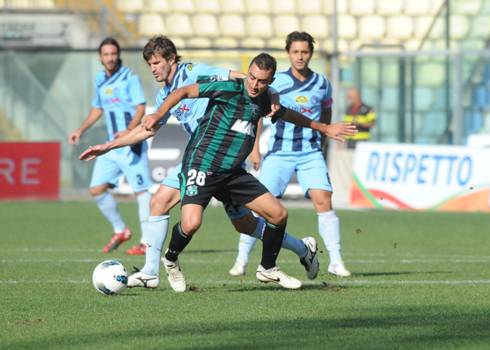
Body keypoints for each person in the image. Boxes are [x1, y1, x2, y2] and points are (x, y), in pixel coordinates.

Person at [81, 52, 356, 291]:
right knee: (188, 222)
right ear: (247, 73)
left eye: (262, 82)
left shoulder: (261, 97)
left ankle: (270, 267)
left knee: (273, 216)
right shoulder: (225, 86)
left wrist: (324, 128)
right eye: (252, 78)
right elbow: (182, 93)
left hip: (233, 172)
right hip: (201, 163)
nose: (254, 84)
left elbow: (284, 113)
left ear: (270, 82)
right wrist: (117, 140)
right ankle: (167, 261)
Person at [229, 32, 352, 278]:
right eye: (295, 52)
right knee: (259, 207)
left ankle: (336, 261)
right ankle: (241, 260)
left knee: (323, 199)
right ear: (288, 53)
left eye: (304, 52)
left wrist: (324, 137)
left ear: (311, 54)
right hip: (279, 153)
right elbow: (259, 113)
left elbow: (325, 112)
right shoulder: (275, 83)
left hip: (309, 151)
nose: (300, 56)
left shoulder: (322, 83)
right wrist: (255, 148)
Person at [68, 37, 152, 255]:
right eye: (106, 54)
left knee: (142, 191)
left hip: (131, 143)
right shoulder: (100, 80)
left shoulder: (129, 77)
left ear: (118, 55)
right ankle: (121, 230)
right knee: (96, 189)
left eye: (113, 53)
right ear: (100, 57)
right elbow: (97, 109)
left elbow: (140, 108)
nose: (110, 58)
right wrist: (81, 130)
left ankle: (146, 242)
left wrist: (129, 130)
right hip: (110, 146)